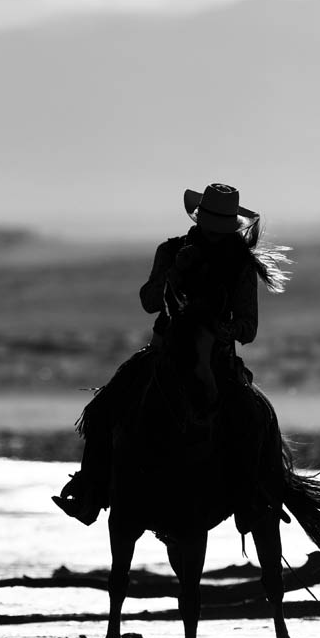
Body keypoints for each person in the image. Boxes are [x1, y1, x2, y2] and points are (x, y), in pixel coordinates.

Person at [53, 182, 291, 531]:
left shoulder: (240, 264)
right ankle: (91, 490)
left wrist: (220, 329)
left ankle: (254, 498)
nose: (214, 233)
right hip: (162, 352)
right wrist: (172, 274)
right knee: (104, 408)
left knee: (249, 418)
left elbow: (248, 327)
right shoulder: (170, 251)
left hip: (216, 361)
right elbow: (149, 302)